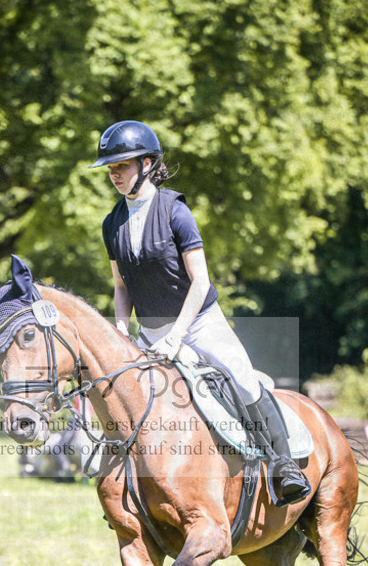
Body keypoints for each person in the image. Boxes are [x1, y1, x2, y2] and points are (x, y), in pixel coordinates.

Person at [89, 119, 311, 507]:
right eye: (110, 169)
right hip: (151, 331)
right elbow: (122, 287)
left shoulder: (175, 212)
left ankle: (282, 464)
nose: (114, 175)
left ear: (145, 165)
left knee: (241, 378)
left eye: (121, 166)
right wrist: (120, 329)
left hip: (199, 324)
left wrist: (178, 335)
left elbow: (201, 282)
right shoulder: (112, 224)